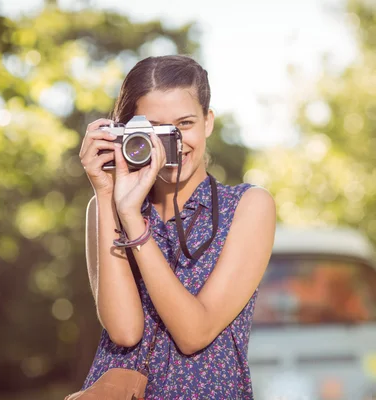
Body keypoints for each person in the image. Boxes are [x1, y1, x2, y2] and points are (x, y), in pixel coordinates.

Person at [77, 55, 276, 399]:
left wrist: (135, 229)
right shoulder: (106, 207)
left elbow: (194, 333)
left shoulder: (248, 206)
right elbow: (124, 332)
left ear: (207, 122)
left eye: (184, 124)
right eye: (154, 129)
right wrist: (112, 197)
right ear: (126, 133)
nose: (173, 142)